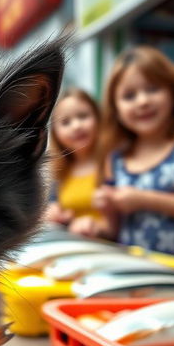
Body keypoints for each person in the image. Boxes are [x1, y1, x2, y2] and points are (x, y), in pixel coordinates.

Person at [93, 45, 174, 257]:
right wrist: (101, 216)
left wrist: (143, 199)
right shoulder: (114, 158)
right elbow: (113, 231)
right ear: (115, 109)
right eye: (129, 96)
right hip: (135, 278)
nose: (143, 101)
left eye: (153, 89)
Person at [44, 87, 103, 235]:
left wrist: (97, 227)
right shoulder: (59, 172)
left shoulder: (113, 162)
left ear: (98, 117)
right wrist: (53, 213)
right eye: (65, 122)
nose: (76, 126)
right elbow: (52, 209)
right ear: (55, 133)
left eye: (83, 116)